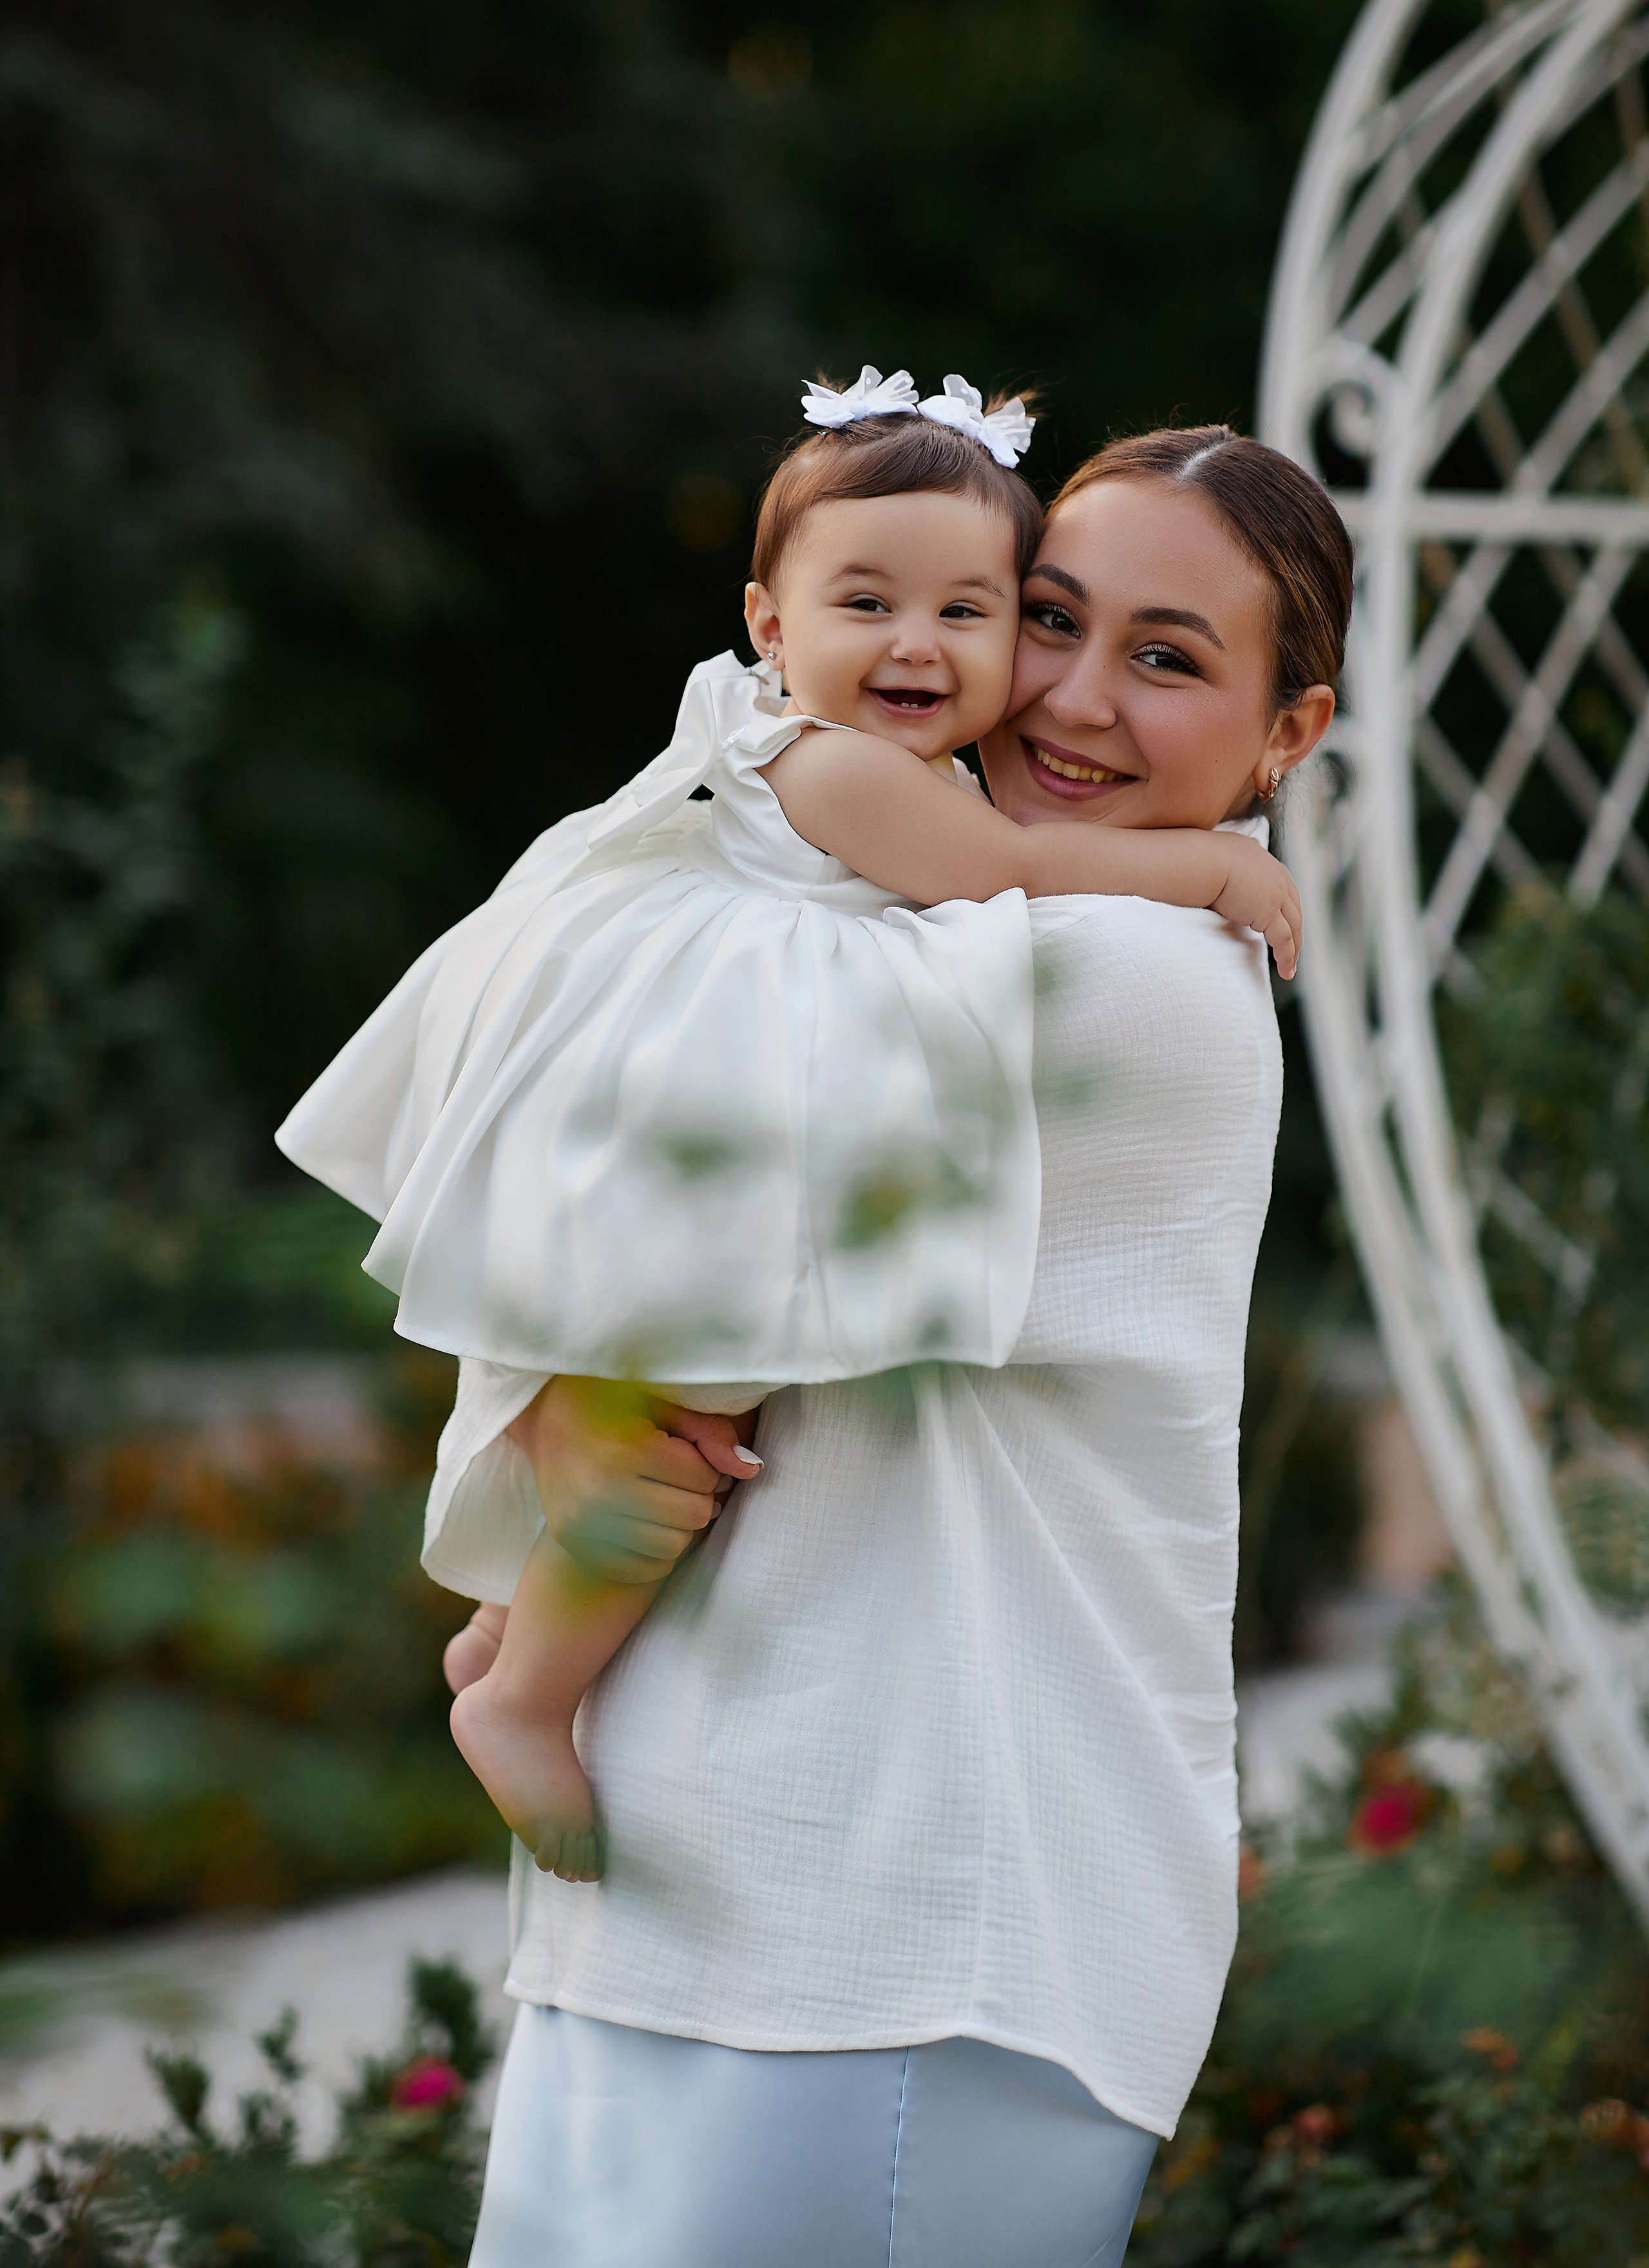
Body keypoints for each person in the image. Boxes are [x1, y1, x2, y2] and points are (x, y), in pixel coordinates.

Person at [455, 425, 1348, 2268]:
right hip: (715, 1878)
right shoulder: (944, 911)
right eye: (1046, 619)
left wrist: (559, 1396)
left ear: (1289, 736)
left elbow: (666, 1133)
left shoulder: (1134, 976)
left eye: (1168, 658)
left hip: (924, 1924)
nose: (1070, 700)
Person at [275, 370, 1302, 1882]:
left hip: (690, 1110)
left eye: (970, 612)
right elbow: (995, 871)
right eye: (867, 603)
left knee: (665, 1434)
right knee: (680, 1431)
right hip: (685, 1109)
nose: (917, 645)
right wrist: (1213, 873)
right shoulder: (837, 768)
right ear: (769, 624)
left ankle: (513, 1633)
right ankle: (526, 1694)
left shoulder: (868, 769)